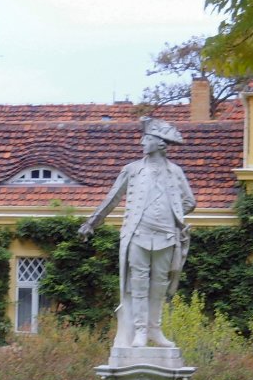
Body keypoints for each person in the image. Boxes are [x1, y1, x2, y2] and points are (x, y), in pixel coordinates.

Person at [79, 117, 195, 348]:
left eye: (148, 139)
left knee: (159, 285)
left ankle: (155, 330)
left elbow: (190, 201)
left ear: (160, 144)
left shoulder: (175, 172)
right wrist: (92, 222)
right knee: (138, 284)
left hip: (166, 236)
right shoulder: (132, 170)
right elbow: (112, 198)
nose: (142, 142)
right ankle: (140, 331)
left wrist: (171, 210)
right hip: (137, 235)